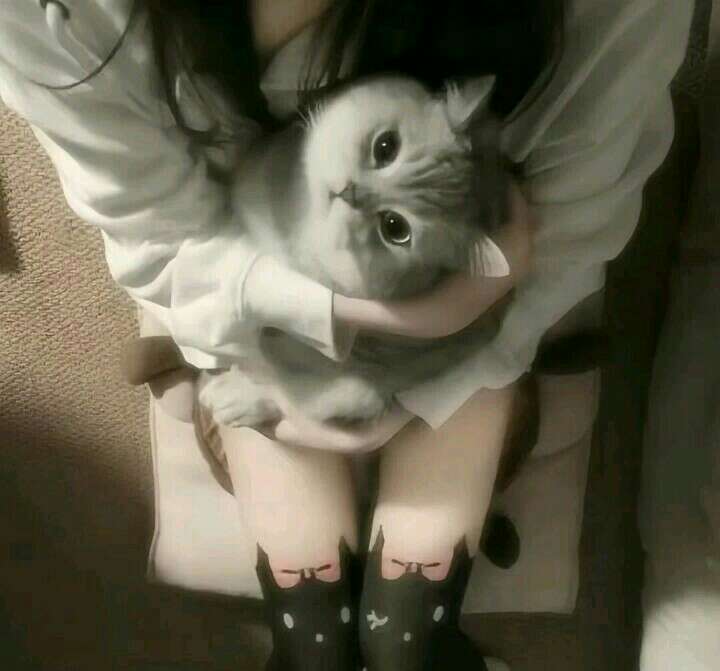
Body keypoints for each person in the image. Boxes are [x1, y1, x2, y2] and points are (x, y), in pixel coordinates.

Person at [0, 1, 693, 669]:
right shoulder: (55, 22)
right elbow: (163, 237)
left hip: (451, 311)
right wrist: (386, 320)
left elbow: (567, 231)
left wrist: (436, 358)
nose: (353, 194)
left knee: (402, 634)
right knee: (316, 628)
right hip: (262, 278)